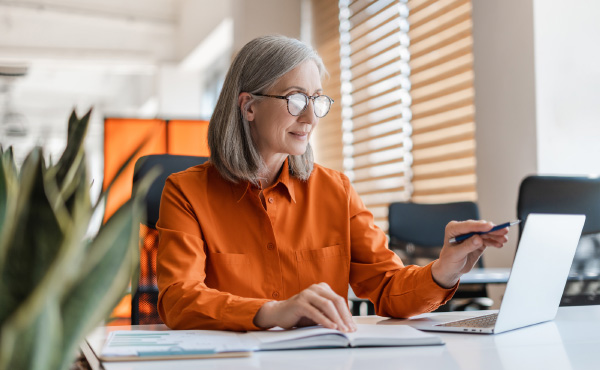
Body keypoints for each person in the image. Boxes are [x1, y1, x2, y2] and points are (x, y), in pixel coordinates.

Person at [156, 35, 509, 333]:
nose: (310, 117)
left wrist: (443, 270)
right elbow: (178, 298)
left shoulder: (335, 191)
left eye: (316, 100)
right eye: (295, 99)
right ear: (249, 106)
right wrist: (270, 312)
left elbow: (387, 288)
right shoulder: (186, 192)